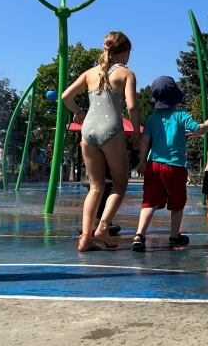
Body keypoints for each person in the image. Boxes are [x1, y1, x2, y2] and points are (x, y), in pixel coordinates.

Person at [62, 31, 140, 252]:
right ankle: (103, 227)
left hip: (88, 131)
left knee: (95, 187)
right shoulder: (126, 74)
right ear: (124, 52)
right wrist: (135, 132)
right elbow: (132, 106)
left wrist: (78, 112)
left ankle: (86, 237)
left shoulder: (90, 73)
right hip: (111, 131)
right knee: (120, 184)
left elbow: (66, 96)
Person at [133, 76, 208, 252]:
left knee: (149, 202)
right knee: (177, 202)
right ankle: (174, 235)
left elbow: (145, 141)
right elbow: (198, 129)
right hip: (175, 166)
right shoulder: (181, 115)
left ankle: (139, 235)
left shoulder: (151, 119)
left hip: (153, 165)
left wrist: (141, 162)